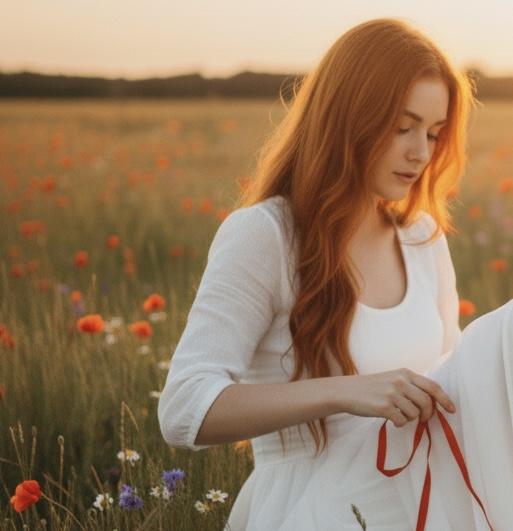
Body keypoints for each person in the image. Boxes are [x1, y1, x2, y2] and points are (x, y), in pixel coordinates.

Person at [158, 17, 512, 530]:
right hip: (315, 509)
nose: (420, 152)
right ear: (349, 117)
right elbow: (184, 408)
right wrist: (347, 390)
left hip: (421, 501)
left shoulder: (421, 239)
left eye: (434, 134)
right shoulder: (266, 235)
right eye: (402, 126)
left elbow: (453, 389)